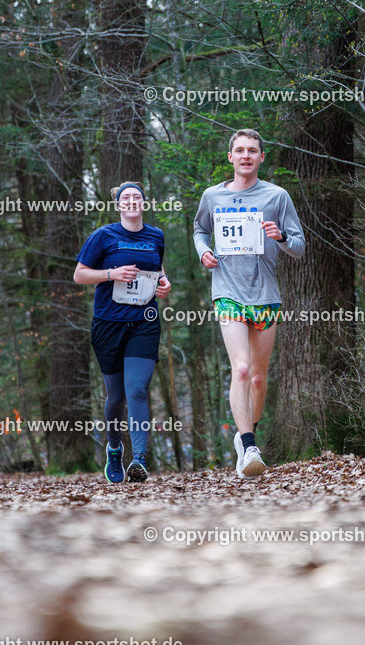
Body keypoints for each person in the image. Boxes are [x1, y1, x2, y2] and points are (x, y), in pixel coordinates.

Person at [193, 129, 305, 478]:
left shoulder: (277, 196)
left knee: (257, 378)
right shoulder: (213, 196)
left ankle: (246, 435)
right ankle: (250, 444)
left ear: (261, 157)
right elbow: (199, 230)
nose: (245, 156)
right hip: (228, 291)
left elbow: (299, 246)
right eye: (239, 150)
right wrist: (204, 251)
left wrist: (281, 236)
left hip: (265, 295)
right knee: (240, 369)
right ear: (230, 157)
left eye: (252, 151)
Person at [74, 182, 171, 485]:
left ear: (144, 203)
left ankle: (139, 459)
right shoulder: (103, 236)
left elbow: (158, 269)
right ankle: (114, 449)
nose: (131, 201)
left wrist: (164, 282)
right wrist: (110, 274)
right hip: (108, 324)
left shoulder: (156, 236)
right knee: (116, 397)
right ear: (118, 204)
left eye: (136, 197)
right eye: (125, 198)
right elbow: (79, 274)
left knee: (137, 389)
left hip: (144, 321)